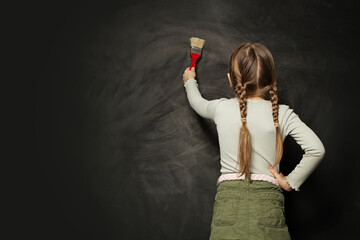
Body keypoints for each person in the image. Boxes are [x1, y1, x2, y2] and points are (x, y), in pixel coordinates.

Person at [182, 42, 326, 240]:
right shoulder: (282, 114)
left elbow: (197, 103)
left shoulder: (221, 108)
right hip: (269, 202)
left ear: (231, 80)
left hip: (229, 201)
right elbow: (317, 150)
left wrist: (190, 81)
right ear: (270, 80)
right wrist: (290, 182)